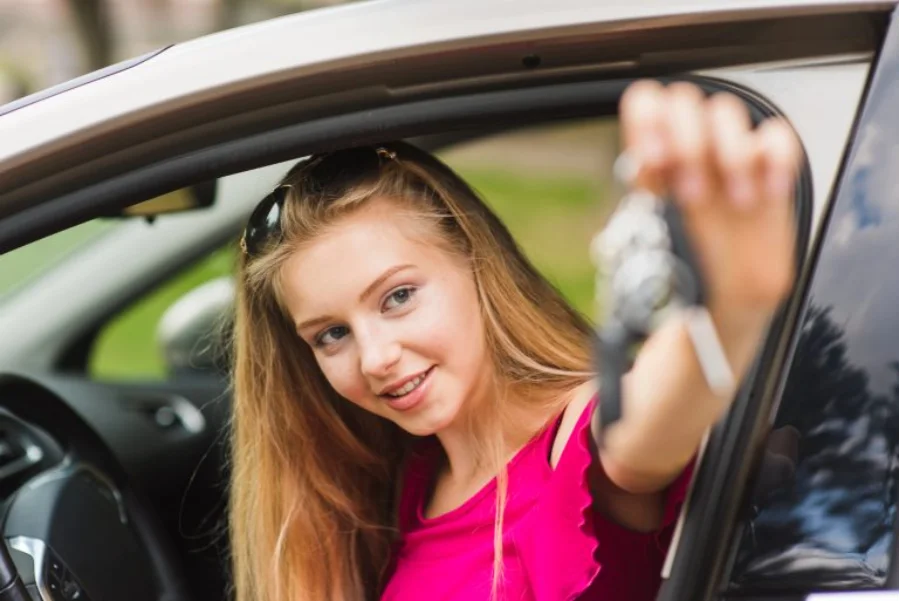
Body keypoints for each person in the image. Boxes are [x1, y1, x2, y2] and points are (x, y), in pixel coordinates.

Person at [228, 80, 801, 601]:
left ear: (479, 267)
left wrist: (729, 307)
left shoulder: (574, 445)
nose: (376, 357)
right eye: (332, 335)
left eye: (398, 297)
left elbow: (639, 436)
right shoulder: (412, 481)